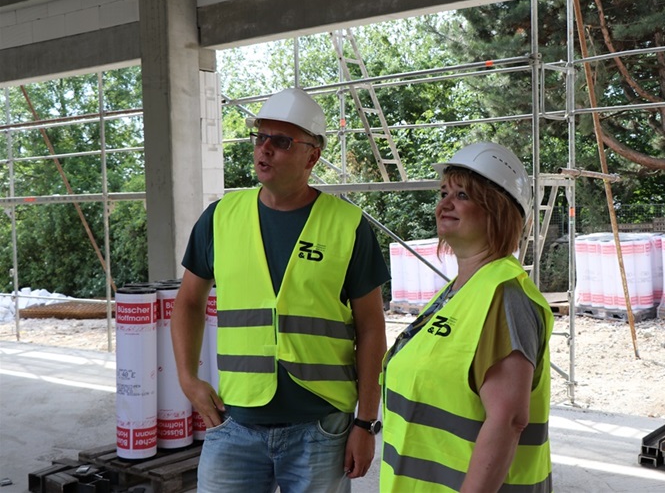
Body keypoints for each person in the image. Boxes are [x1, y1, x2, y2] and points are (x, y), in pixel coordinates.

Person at [170, 87, 389, 493]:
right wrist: (187, 378)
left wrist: (365, 422)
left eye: (282, 141)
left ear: (312, 156)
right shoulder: (220, 218)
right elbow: (187, 303)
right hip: (234, 423)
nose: (265, 148)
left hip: (322, 427)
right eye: (260, 137)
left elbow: (372, 328)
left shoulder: (349, 226)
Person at [379, 142, 554, 492]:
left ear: (498, 210)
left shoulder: (506, 296)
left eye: (462, 195)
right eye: (444, 193)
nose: (444, 204)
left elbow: (507, 421)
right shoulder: (457, 292)